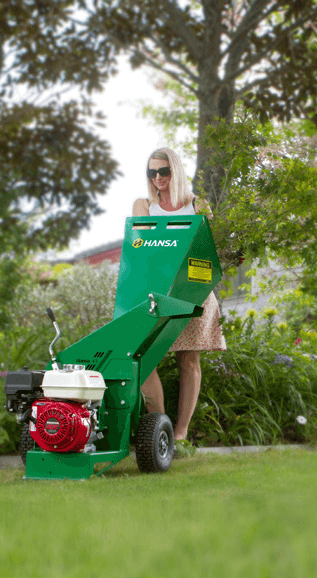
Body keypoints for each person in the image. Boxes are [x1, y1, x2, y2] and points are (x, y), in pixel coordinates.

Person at [133, 148, 226, 455]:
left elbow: (211, 249)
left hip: (194, 289)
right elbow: (140, 251)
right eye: (152, 173)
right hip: (157, 292)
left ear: (176, 171)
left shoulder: (198, 205)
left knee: (188, 360)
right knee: (142, 358)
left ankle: (182, 436)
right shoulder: (144, 206)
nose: (158, 178)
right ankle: (160, 430)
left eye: (164, 171)